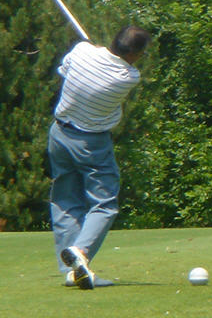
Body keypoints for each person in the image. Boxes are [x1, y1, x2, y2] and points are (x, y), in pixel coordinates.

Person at [49, 22, 150, 288]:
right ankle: (80, 252)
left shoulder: (82, 51)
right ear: (135, 54)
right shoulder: (129, 76)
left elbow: (64, 70)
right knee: (104, 204)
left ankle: (72, 272)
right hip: (91, 143)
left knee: (64, 202)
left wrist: (90, 51)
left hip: (59, 134)